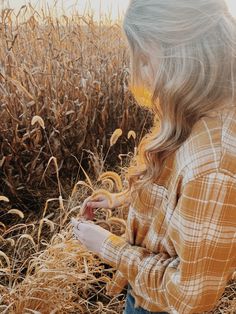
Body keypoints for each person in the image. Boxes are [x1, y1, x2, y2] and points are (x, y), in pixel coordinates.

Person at [71, 0, 236, 313]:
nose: (141, 74)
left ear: (181, 53)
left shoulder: (215, 166)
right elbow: (176, 189)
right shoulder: (197, 110)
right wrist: (121, 199)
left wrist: (108, 246)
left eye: (144, 58)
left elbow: (189, 298)